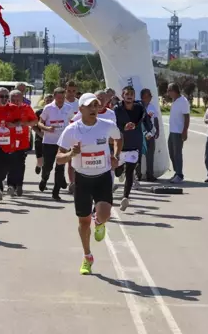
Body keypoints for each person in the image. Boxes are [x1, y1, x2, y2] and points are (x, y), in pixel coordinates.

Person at [56, 93, 122, 275]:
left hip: (102, 177)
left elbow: (118, 137)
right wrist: (70, 154)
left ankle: (100, 223)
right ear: (81, 109)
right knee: (84, 222)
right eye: (89, 106)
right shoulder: (72, 130)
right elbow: (59, 158)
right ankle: (87, 256)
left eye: (96, 105)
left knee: (105, 213)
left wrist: (116, 155)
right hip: (82, 179)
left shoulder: (107, 126)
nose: (93, 109)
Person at [113, 86, 153, 211]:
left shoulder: (140, 108)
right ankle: (120, 171)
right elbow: (112, 124)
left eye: (132, 94)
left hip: (135, 144)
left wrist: (149, 131)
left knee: (130, 171)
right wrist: (123, 127)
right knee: (117, 171)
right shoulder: (117, 109)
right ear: (122, 95)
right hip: (121, 145)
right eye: (127, 94)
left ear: (134, 97)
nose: (129, 96)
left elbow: (147, 122)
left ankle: (125, 197)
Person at [38, 87, 75, 200]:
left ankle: (56, 192)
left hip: (63, 143)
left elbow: (72, 122)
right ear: (54, 97)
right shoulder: (48, 108)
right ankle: (44, 178)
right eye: (58, 98)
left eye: (63, 98)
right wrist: (47, 128)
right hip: (49, 141)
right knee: (48, 166)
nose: (60, 100)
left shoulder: (68, 108)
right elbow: (40, 123)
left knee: (60, 167)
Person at [6, 89, 38, 196]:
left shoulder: (26, 108)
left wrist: (25, 123)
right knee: (10, 163)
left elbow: (35, 121)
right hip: (8, 140)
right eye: (13, 99)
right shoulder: (6, 108)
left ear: (22, 99)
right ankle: (11, 185)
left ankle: (19, 184)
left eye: (17, 99)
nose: (15, 101)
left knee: (20, 163)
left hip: (22, 140)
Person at [167, 83, 189, 184]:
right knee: (172, 153)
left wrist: (184, 131)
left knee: (177, 154)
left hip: (178, 132)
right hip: (172, 131)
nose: (168, 93)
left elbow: (187, 117)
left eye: (169, 90)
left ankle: (179, 174)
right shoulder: (175, 101)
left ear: (174, 91)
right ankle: (177, 172)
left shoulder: (183, 101)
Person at [138, 88, 159, 182]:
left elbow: (155, 119)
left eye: (150, 96)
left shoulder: (152, 107)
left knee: (150, 155)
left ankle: (150, 175)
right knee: (138, 156)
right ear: (143, 97)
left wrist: (157, 131)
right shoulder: (137, 106)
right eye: (148, 96)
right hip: (139, 135)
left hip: (150, 134)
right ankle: (137, 175)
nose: (150, 97)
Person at [33, 94, 54, 175]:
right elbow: (33, 126)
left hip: (51, 140)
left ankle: (43, 179)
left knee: (47, 162)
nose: (49, 102)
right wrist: (39, 133)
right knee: (40, 162)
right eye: (47, 100)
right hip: (39, 139)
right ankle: (38, 165)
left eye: (51, 100)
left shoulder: (56, 112)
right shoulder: (38, 113)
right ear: (44, 101)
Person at [65, 81, 80, 194]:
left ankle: (72, 183)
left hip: (76, 135)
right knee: (61, 160)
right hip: (62, 135)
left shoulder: (79, 104)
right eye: (69, 91)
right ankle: (60, 180)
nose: (71, 93)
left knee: (72, 160)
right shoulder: (61, 102)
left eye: (73, 91)